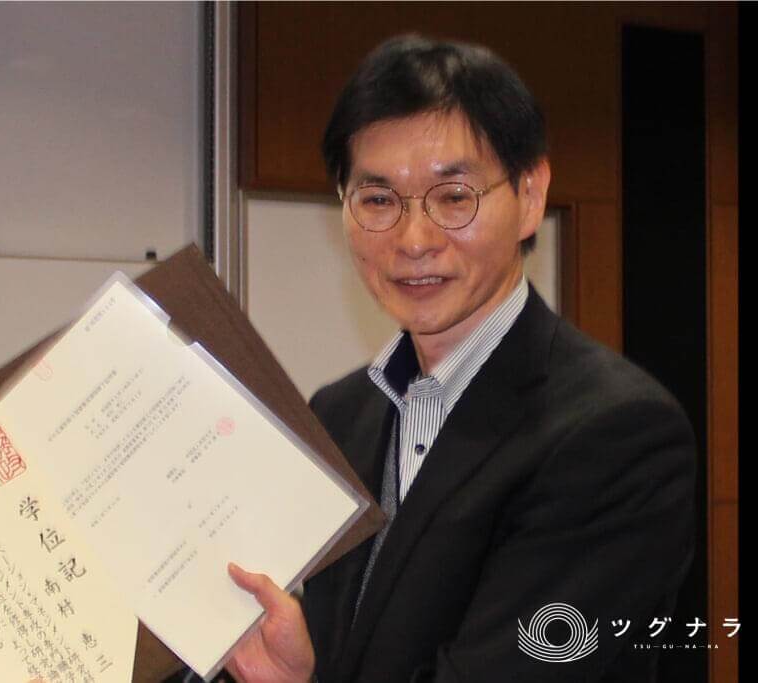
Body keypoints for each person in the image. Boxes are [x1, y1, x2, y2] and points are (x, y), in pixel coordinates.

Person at [225, 34, 695, 682]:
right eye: (378, 200)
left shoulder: (616, 434)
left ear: (530, 196)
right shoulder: (338, 415)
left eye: (453, 197)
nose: (414, 240)